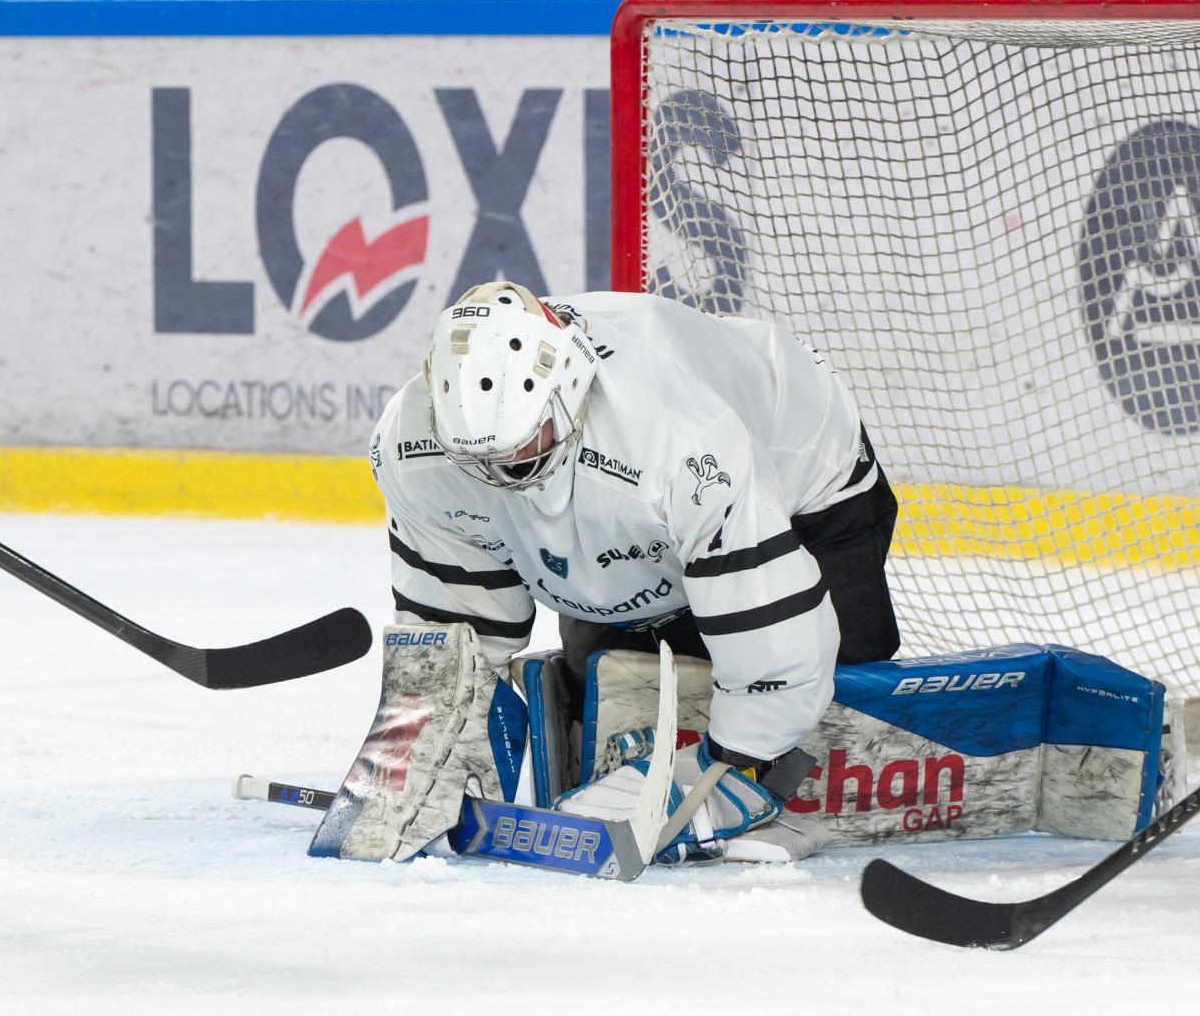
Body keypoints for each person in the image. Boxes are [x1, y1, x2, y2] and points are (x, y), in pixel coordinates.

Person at [367, 280, 899, 861]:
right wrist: (421, 749)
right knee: (611, 681)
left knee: (843, 666)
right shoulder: (412, 441)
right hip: (636, 507)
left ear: (568, 389)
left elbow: (775, 641)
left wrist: (730, 766)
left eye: (520, 450)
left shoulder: (680, 435)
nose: (500, 474)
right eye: (479, 460)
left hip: (802, 471)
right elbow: (459, 624)